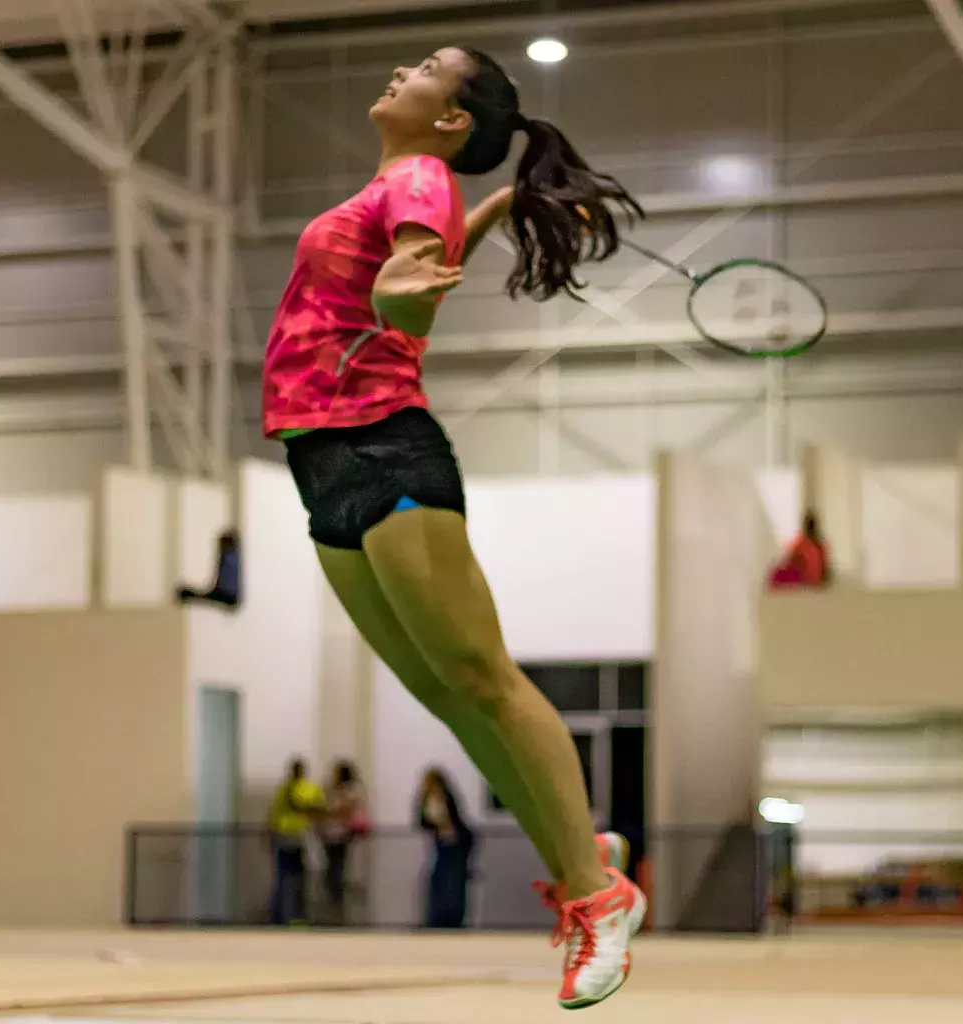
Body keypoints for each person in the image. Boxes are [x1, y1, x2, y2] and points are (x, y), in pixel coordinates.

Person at [258, 45, 644, 1007]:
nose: (400, 69)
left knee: (483, 678)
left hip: (383, 448)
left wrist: (405, 291)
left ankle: (598, 895)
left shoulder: (419, 178)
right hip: (322, 465)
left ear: (451, 120)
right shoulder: (407, 185)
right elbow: (410, 259)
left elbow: (405, 286)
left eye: (427, 67)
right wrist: (505, 208)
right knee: (445, 692)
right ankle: (581, 846)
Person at [415, 768, 477, 929]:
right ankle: (441, 917)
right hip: (447, 844)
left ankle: (448, 918)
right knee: (443, 880)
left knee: (451, 881)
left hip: (455, 843)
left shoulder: (439, 798)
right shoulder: (435, 798)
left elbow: (441, 820)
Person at [266, 758, 325, 925]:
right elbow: (274, 812)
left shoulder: (311, 788)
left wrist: (301, 806)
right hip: (285, 837)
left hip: (304, 838)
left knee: (302, 880)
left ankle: (299, 915)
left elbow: (319, 809)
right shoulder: (284, 789)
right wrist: (270, 833)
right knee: (282, 877)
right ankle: (277, 916)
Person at [318, 760, 368, 922]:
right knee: (330, 873)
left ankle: (340, 911)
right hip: (329, 835)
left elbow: (345, 810)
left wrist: (333, 812)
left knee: (337, 872)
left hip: (342, 836)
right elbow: (324, 810)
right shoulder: (330, 790)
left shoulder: (351, 790)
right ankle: (333, 908)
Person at [177, 529, 241, 609]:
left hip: (226, 595)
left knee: (184, 592)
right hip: (225, 593)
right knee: (185, 592)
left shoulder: (229, 557)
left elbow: (225, 586)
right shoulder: (232, 557)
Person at [768, 512, 831, 590]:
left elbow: (790, 559)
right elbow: (826, 567)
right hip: (815, 580)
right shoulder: (819, 545)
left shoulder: (802, 543)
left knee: (777, 573)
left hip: (804, 579)